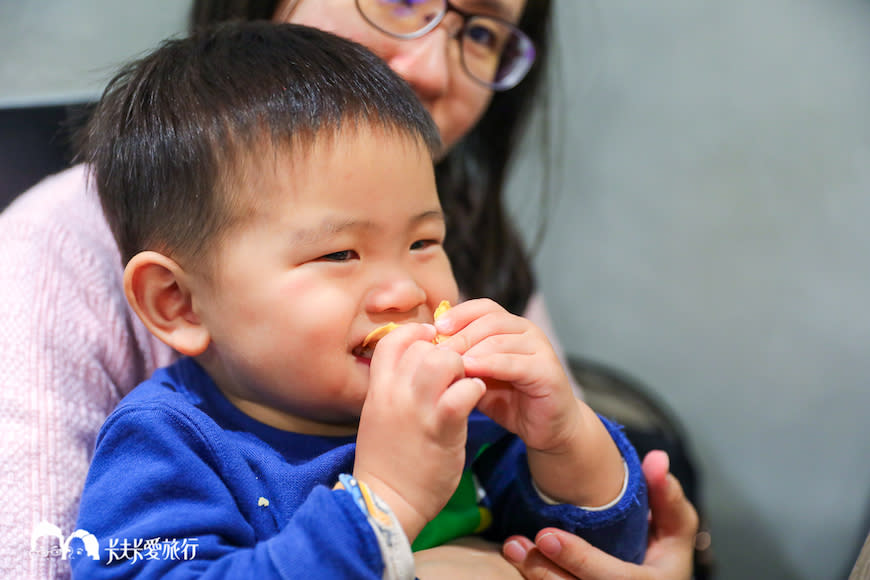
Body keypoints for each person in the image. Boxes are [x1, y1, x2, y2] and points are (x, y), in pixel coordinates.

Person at [0, 0, 698, 578]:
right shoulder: (171, 444)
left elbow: (598, 550)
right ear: (177, 303)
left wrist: (569, 440)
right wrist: (383, 505)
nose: (404, 288)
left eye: (425, 242)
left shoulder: (469, 413)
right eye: (340, 253)